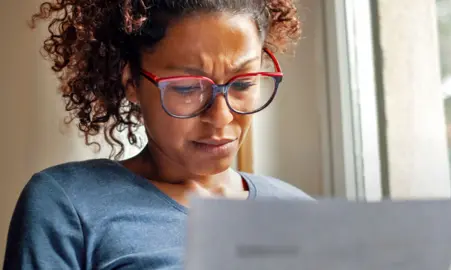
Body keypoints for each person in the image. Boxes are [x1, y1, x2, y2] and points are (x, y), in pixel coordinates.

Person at [3, 0, 311, 269]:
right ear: (131, 82)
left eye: (243, 83)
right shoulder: (68, 205)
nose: (221, 117)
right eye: (188, 87)